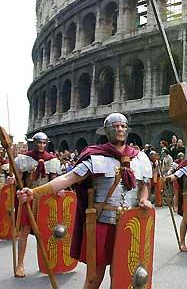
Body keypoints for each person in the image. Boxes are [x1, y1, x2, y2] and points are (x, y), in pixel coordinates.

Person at [17, 113, 152, 288]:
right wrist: (34, 192)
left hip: (130, 223)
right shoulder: (95, 157)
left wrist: (143, 199)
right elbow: (67, 179)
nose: (120, 129)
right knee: (94, 276)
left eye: (123, 126)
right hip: (102, 222)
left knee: (123, 274)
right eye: (115, 126)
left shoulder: (140, 158)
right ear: (106, 131)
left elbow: (143, 186)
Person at [7, 132, 61, 278]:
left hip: (44, 200)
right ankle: (20, 264)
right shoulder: (23, 159)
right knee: (24, 231)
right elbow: (18, 181)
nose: (41, 146)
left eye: (44, 143)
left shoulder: (52, 161)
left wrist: (60, 191)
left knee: (45, 232)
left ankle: (46, 262)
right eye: (39, 143)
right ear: (34, 143)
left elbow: (54, 181)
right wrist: (12, 182)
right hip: (28, 200)